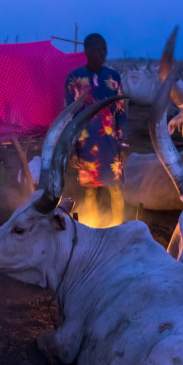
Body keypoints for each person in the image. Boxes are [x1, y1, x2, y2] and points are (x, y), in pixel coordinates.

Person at [65, 33, 128, 225]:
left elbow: (121, 111)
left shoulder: (114, 78)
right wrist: (73, 147)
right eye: (98, 49)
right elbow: (71, 116)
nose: (103, 53)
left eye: (104, 49)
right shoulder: (74, 78)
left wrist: (123, 143)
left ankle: (118, 229)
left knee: (116, 188)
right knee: (89, 190)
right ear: (86, 51)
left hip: (110, 142)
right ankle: (92, 227)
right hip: (86, 143)